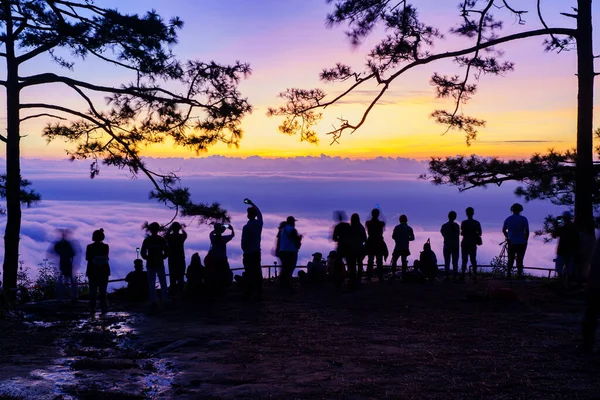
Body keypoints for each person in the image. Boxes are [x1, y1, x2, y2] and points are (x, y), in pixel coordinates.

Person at [141, 222, 169, 307]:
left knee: (151, 283)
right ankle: (165, 300)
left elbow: (143, 252)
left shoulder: (147, 240)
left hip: (150, 264)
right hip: (159, 263)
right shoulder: (161, 240)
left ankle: (153, 301)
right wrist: (162, 257)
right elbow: (167, 251)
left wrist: (147, 258)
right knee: (163, 282)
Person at [241, 199, 263, 300]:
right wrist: (252, 203)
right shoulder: (259, 224)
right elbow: (260, 214)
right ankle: (259, 292)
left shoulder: (246, 227)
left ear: (248, 215)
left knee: (249, 272)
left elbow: (244, 241)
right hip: (257, 252)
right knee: (257, 271)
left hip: (248, 253)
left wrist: (244, 249)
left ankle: (248, 292)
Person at [582, 234, 600, 354]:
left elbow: (594, 262)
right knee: (591, 316)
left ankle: (588, 345)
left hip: (596, 284)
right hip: (596, 283)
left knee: (591, 316)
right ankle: (588, 345)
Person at [85, 228, 110, 315]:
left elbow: (88, 258)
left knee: (93, 290)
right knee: (103, 290)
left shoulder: (89, 247)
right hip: (104, 270)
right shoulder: (106, 246)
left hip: (92, 271)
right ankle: (104, 307)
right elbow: (106, 257)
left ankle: (92, 307)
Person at [502, 203, 529, 280]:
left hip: (511, 242)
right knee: (520, 259)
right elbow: (527, 231)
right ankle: (519, 274)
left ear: (512, 210)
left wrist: (508, 237)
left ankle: (508, 274)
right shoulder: (524, 219)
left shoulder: (508, 219)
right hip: (521, 242)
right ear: (520, 210)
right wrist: (526, 240)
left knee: (511, 258)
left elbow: (504, 230)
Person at [206, 222, 235, 292]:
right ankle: (224, 287)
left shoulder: (212, 238)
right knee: (225, 274)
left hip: (214, 260)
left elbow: (211, 233)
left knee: (215, 275)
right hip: (223, 260)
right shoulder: (224, 239)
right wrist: (230, 228)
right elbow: (232, 235)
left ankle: (215, 289)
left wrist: (216, 228)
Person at [278, 216, 302, 293]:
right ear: (292, 222)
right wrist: (299, 239)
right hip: (290, 252)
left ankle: (283, 286)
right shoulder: (291, 229)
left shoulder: (284, 229)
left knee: (285, 269)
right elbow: (295, 239)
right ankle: (287, 287)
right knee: (289, 269)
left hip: (283, 251)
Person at [553, 211, 579, 280]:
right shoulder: (573, 227)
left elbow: (554, 235)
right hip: (570, 251)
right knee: (568, 270)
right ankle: (566, 282)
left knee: (560, 268)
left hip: (563, 251)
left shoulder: (563, 226)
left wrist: (557, 225)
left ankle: (561, 281)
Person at [53, 229, 78, 301]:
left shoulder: (62, 244)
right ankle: (73, 295)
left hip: (64, 263)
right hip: (67, 263)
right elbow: (73, 253)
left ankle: (62, 296)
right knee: (70, 279)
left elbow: (56, 249)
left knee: (64, 279)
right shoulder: (66, 244)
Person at [460, 207, 482, 283]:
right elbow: (480, 233)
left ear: (466, 213)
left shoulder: (464, 223)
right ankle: (474, 275)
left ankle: (463, 274)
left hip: (465, 242)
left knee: (464, 259)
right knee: (473, 259)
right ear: (473, 213)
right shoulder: (476, 223)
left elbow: (462, 233)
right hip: (472, 243)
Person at [365, 208, 387, 281]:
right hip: (379, 243)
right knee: (379, 260)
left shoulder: (368, 223)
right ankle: (380, 277)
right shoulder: (381, 224)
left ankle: (369, 276)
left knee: (370, 260)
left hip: (371, 242)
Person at [391, 215, 415, 280]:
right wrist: (407, 239)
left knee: (394, 260)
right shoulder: (409, 228)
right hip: (405, 247)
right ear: (406, 220)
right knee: (404, 261)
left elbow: (393, 236)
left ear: (400, 220)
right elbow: (413, 238)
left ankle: (393, 274)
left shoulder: (396, 227)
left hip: (397, 246)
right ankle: (404, 274)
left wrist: (398, 239)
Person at [347, 213, 367, 288]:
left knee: (352, 263)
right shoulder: (361, 227)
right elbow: (365, 238)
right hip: (359, 247)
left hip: (351, 248)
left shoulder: (349, 227)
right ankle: (359, 276)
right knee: (359, 262)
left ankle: (352, 277)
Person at [166, 222, 187, 293]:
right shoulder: (181, 237)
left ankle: (173, 289)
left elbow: (167, 234)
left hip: (172, 258)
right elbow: (185, 234)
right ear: (178, 228)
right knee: (181, 275)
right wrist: (182, 228)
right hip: (180, 258)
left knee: (172, 275)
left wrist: (170, 228)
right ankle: (180, 290)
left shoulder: (169, 237)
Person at [332, 211, 351, 288]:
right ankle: (351, 278)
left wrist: (339, 238)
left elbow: (334, 238)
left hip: (341, 247)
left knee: (338, 264)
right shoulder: (348, 226)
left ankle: (338, 279)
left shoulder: (337, 227)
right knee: (350, 263)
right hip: (348, 247)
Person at [440, 211, 460, 280]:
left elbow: (443, 233)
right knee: (455, 261)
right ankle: (455, 276)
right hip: (455, 246)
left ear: (448, 216)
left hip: (447, 245)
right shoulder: (456, 226)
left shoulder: (444, 226)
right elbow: (457, 235)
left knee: (447, 261)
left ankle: (447, 276)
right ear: (455, 217)